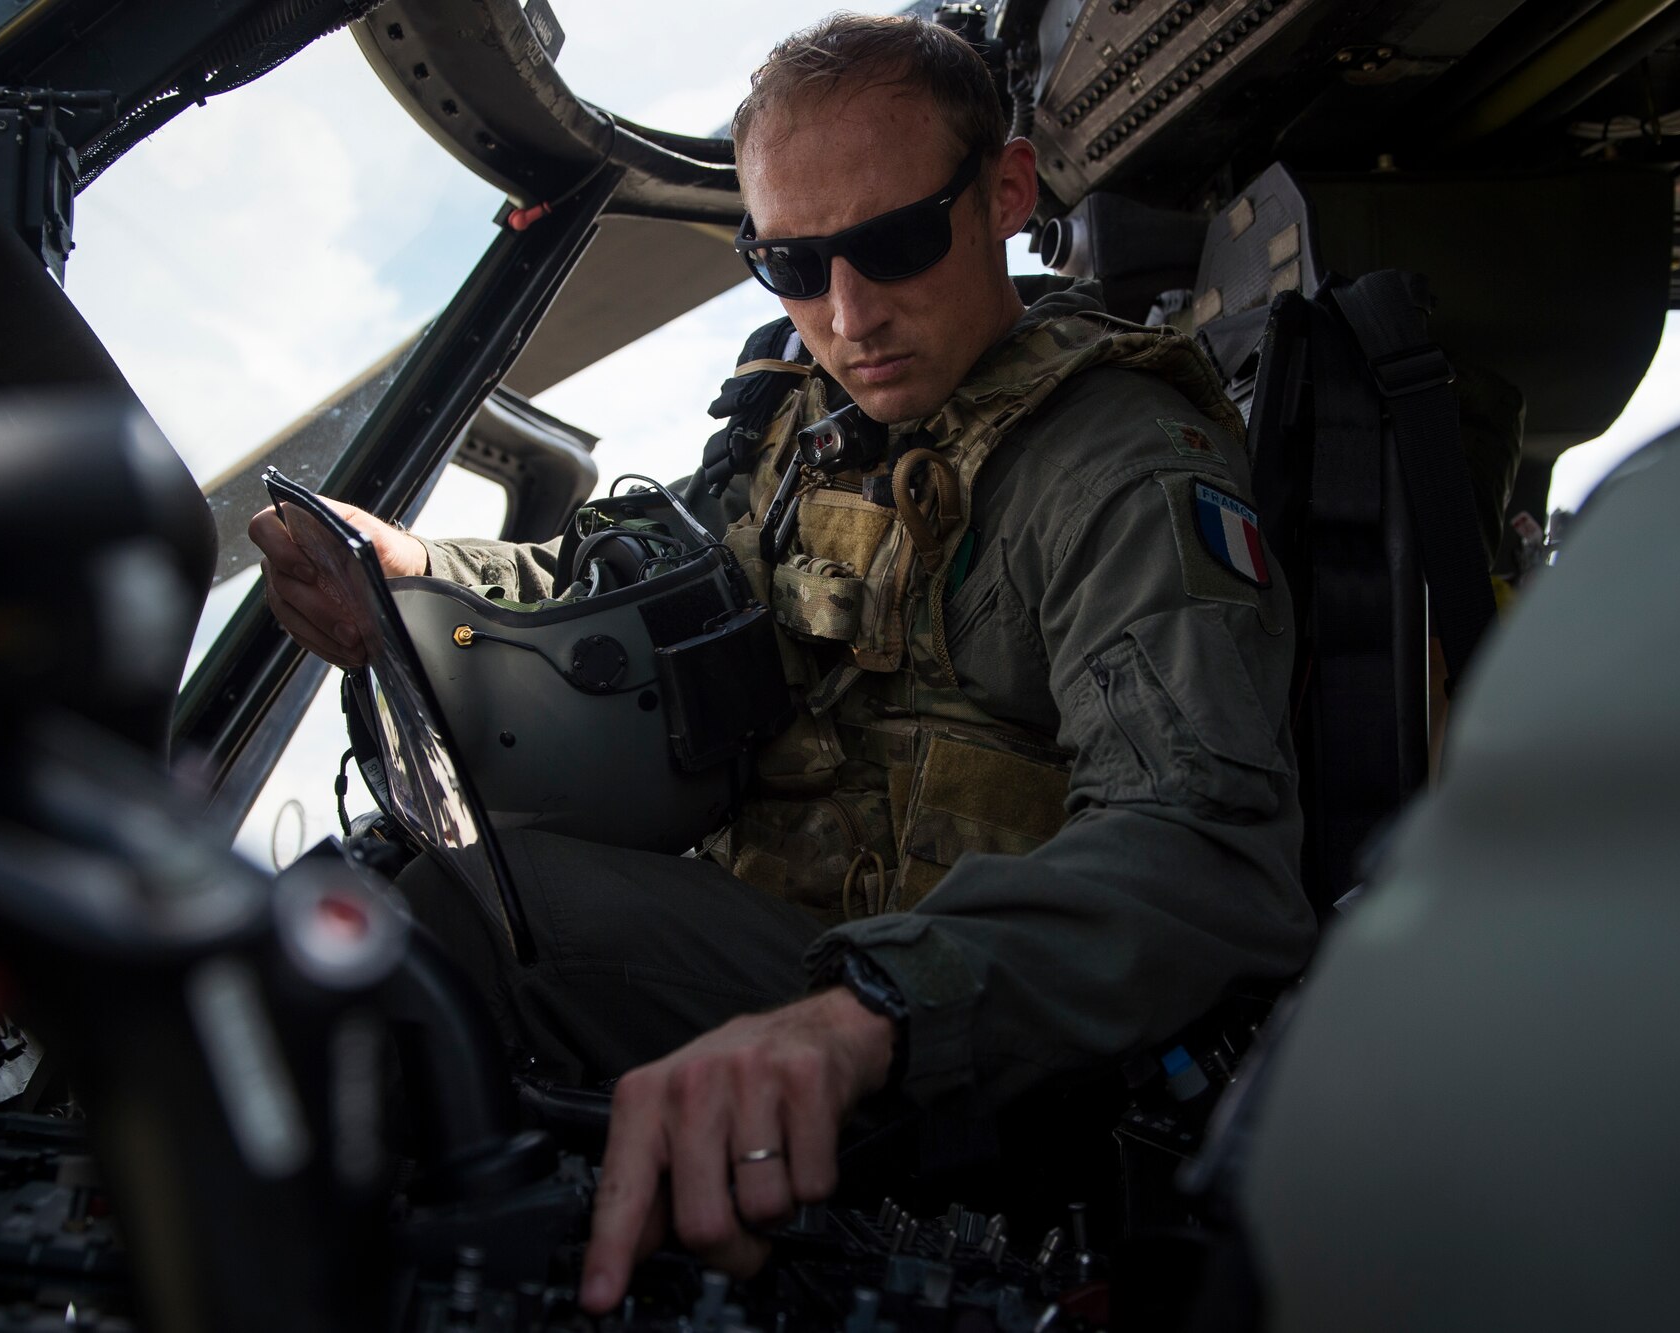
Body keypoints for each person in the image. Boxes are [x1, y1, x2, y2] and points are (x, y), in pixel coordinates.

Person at [250, 13, 1314, 1314]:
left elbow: (1205, 849)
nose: (847, 315)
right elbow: (644, 585)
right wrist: (417, 573)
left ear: (1005, 194)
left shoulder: (1121, 466)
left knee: (460, 914)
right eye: (792, 265)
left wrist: (869, 1006)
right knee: (376, 884)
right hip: (812, 963)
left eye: (896, 243)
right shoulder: (804, 422)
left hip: (980, 1045)